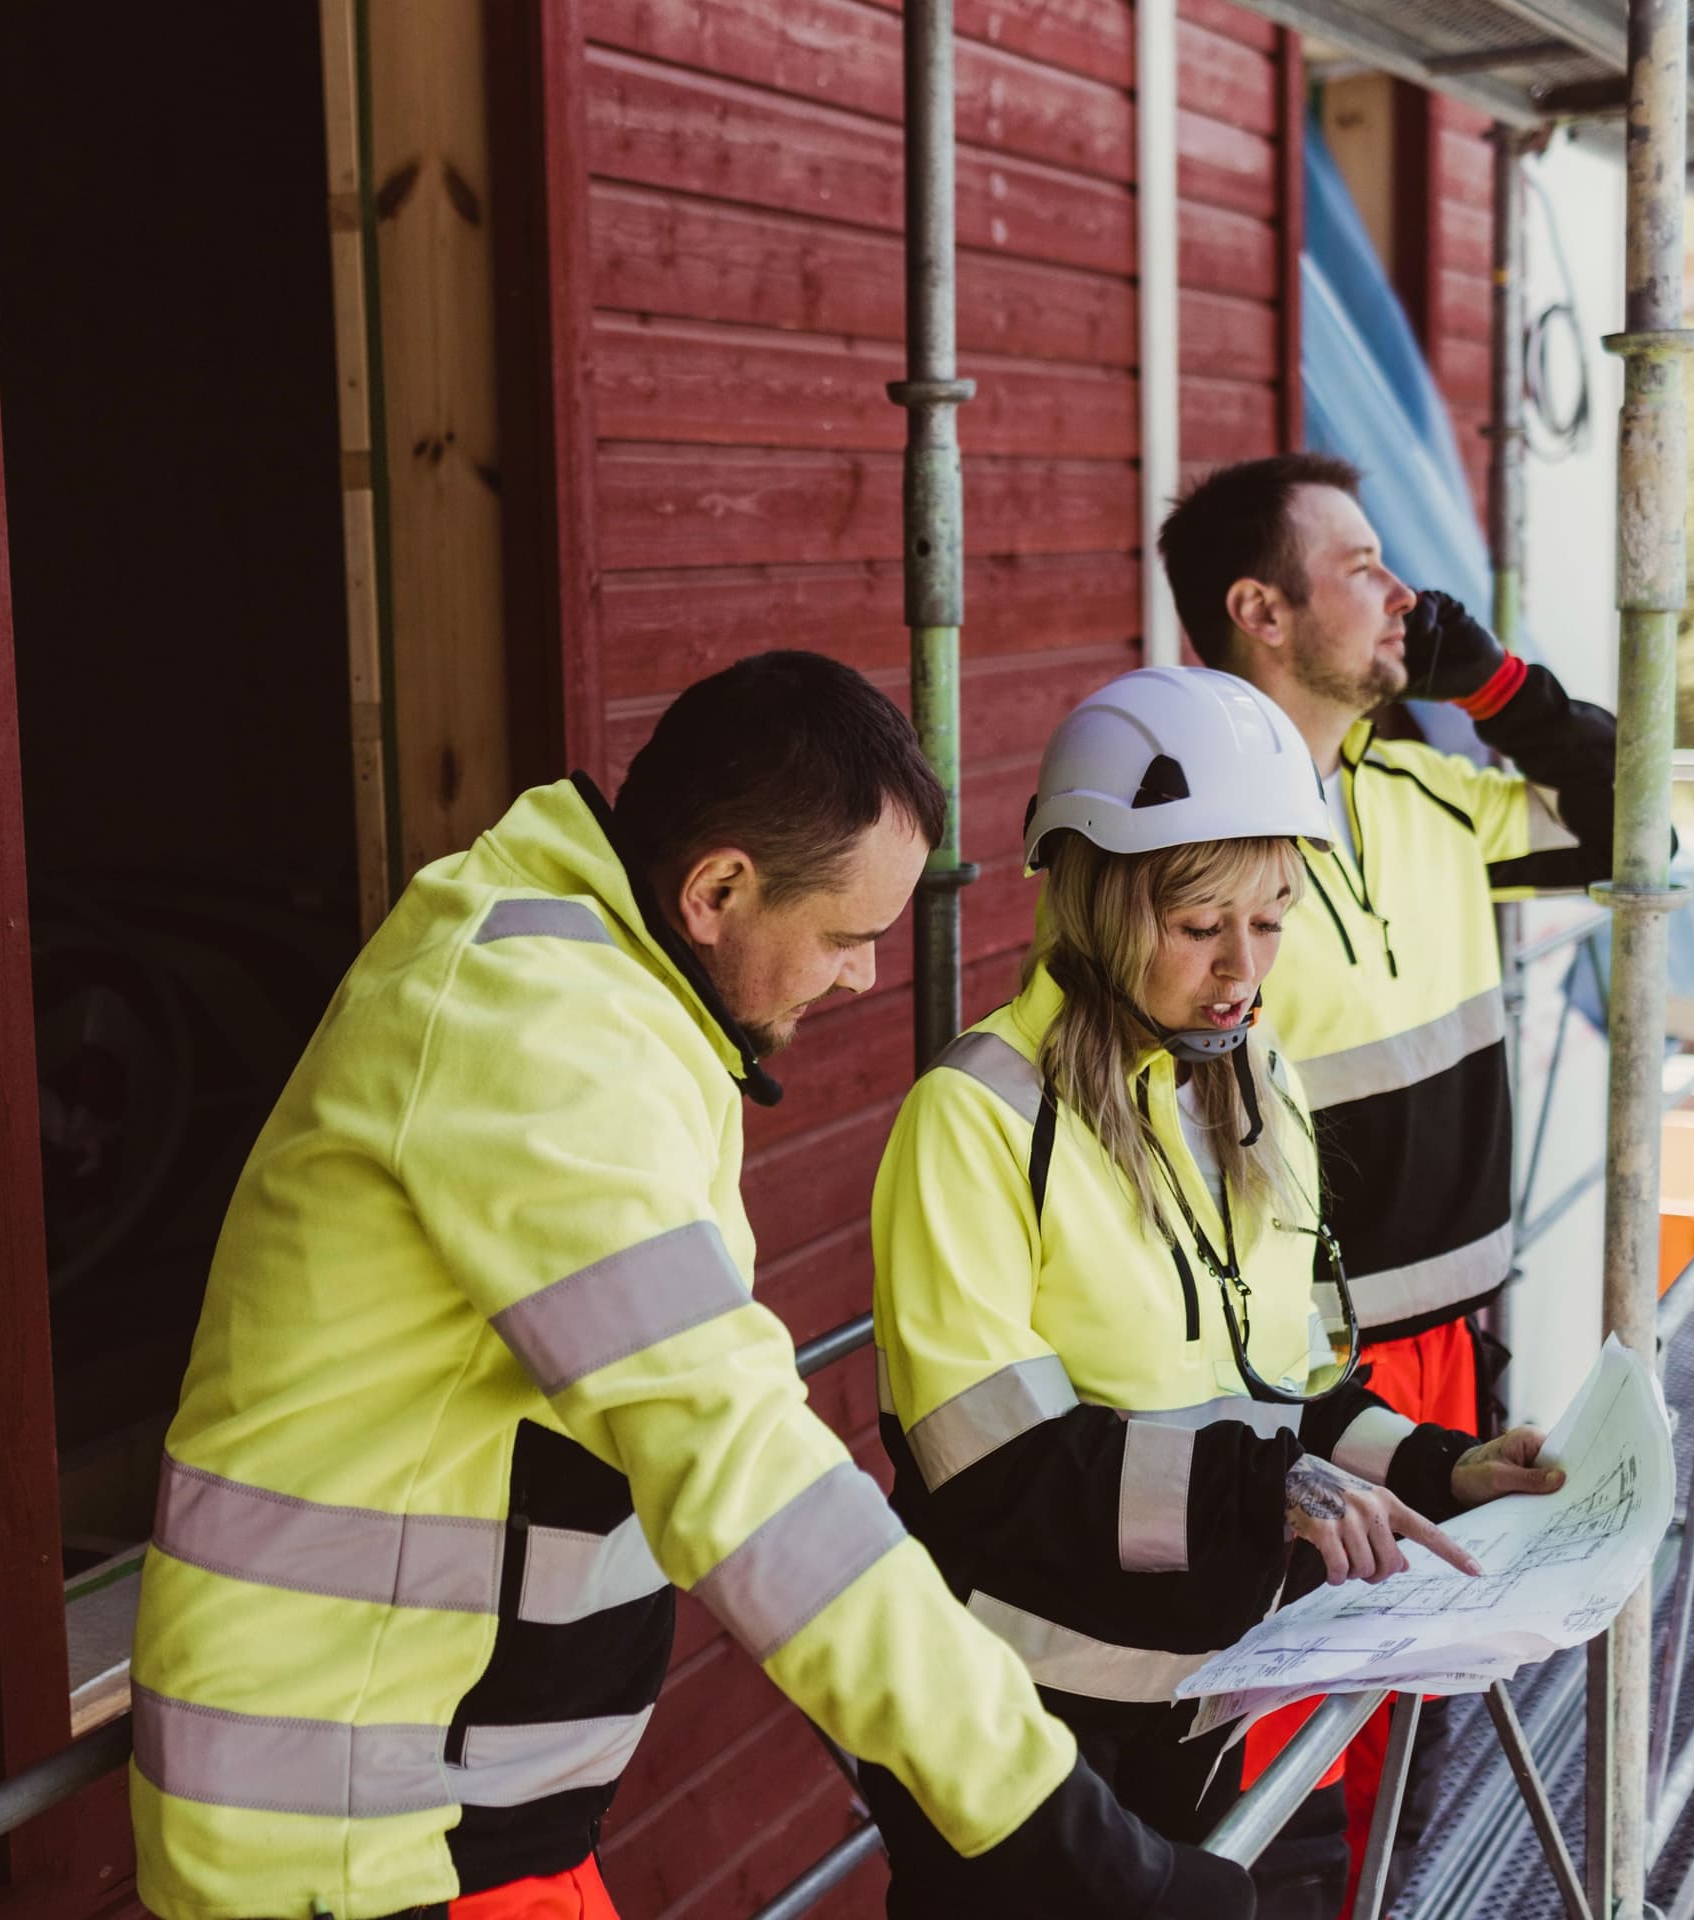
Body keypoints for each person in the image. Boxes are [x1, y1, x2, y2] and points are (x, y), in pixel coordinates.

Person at [127, 652, 1267, 1920]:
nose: (863, 978)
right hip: (354, 1849)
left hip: (444, 1814)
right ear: (719, 887)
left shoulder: (609, 1002)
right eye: (844, 937)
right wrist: (1053, 1828)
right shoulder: (539, 1040)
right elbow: (740, 1466)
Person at [860, 664, 1564, 1919]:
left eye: (1275, 919)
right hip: (1019, 1723)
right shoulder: (970, 1119)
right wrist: (1268, 1492)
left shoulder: (1249, 1079)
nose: (1244, 970)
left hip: (1202, 1686)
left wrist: (1436, 1467)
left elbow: (1281, 1383)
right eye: (1200, 927)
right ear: (1092, 902)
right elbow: (995, 1470)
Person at [1157, 455, 1620, 1916]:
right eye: (1360, 563)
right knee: (1271, 1767)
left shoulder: (1432, 792)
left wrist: (1507, 695)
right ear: (1260, 610)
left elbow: (1644, 821)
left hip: (1452, 1356)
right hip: (1292, 1385)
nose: (1405, 594)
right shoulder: (1178, 845)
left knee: (1397, 1755)